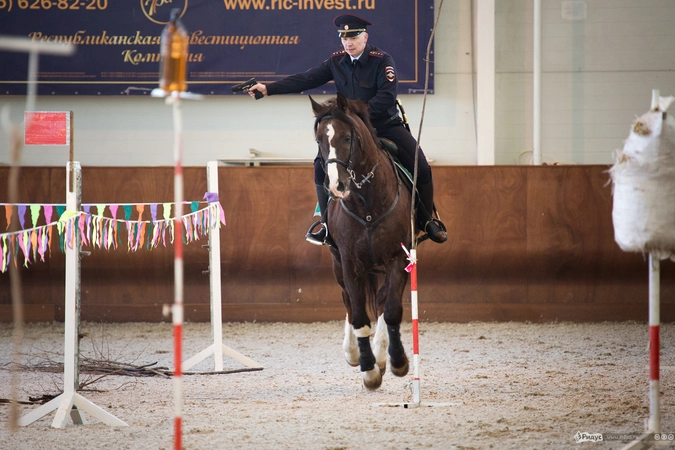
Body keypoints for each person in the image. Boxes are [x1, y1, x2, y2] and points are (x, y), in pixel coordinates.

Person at [247, 14, 447, 245]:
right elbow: (306, 79)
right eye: (344, 38)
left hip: (384, 125)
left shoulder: (382, 60)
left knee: (419, 164)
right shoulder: (337, 62)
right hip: (349, 130)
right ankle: (325, 224)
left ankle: (426, 220)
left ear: (365, 37)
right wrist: (268, 89)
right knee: (320, 168)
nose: (348, 43)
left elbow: (386, 97)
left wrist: (357, 117)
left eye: (353, 37)